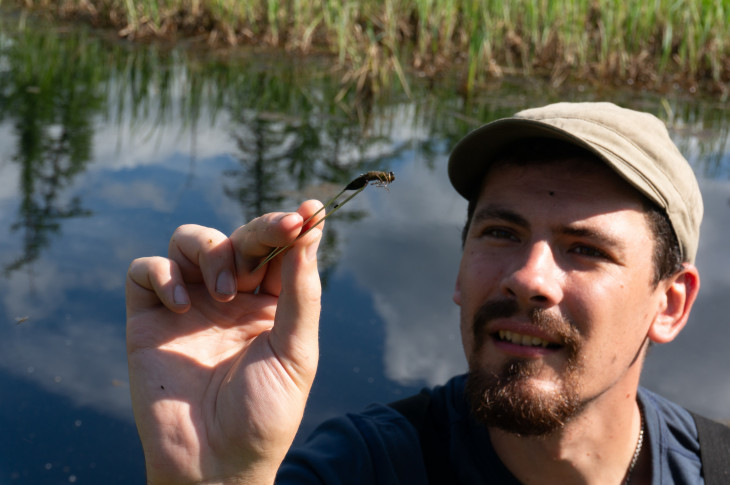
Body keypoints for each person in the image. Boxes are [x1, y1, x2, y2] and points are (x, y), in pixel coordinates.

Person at [126, 102, 727, 485]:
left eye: (586, 249)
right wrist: (215, 477)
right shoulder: (363, 470)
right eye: (501, 232)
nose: (527, 276)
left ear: (670, 303)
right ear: (460, 275)